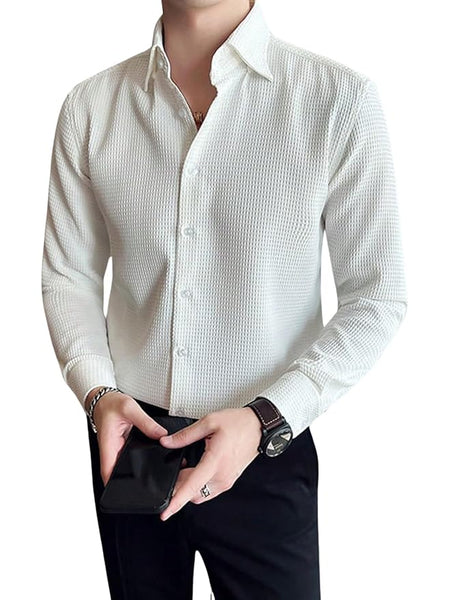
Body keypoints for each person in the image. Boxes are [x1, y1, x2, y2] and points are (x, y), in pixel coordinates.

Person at [41, 0, 408, 598]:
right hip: (130, 442)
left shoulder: (338, 101)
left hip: (267, 442)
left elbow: (378, 295)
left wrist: (268, 418)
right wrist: (98, 395)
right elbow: (68, 276)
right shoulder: (91, 106)